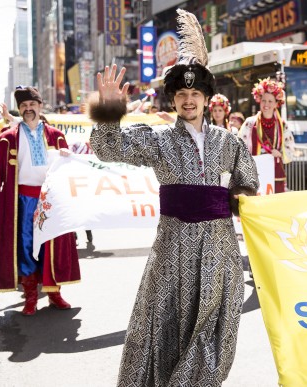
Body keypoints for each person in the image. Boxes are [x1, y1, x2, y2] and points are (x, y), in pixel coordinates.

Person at [88, 9, 259, 386]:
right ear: (173, 100)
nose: (188, 100)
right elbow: (107, 146)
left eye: (195, 93)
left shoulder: (228, 142)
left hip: (219, 247)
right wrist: (109, 110)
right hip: (173, 248)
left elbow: (248, 180)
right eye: (181, 94)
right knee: (166, 326)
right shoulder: (159, 139)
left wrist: (237, 198)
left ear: (207, 97)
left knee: (216, 324)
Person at [0, 86, 80, 316]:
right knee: (25, 247)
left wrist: (69, 159)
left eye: (32, 104)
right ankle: (31, 295)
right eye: (23, 106)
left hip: (51, 200)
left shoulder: (57, 136)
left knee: (52, 246)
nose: (28, 109)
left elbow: (71, 171)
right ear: (19, 110)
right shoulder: (6, 139)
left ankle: (54, 294)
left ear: (40, 107)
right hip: (21, 202)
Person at [239, 77, 295, 193]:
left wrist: (280, 153)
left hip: (275, 173)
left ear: (276, 104)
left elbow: (290, 148)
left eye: (270, 101)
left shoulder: (283, 125)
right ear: (259, 100)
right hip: (255, 173)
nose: (266, 104)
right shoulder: (250, 123)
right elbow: (240, 146)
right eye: (264, 100)